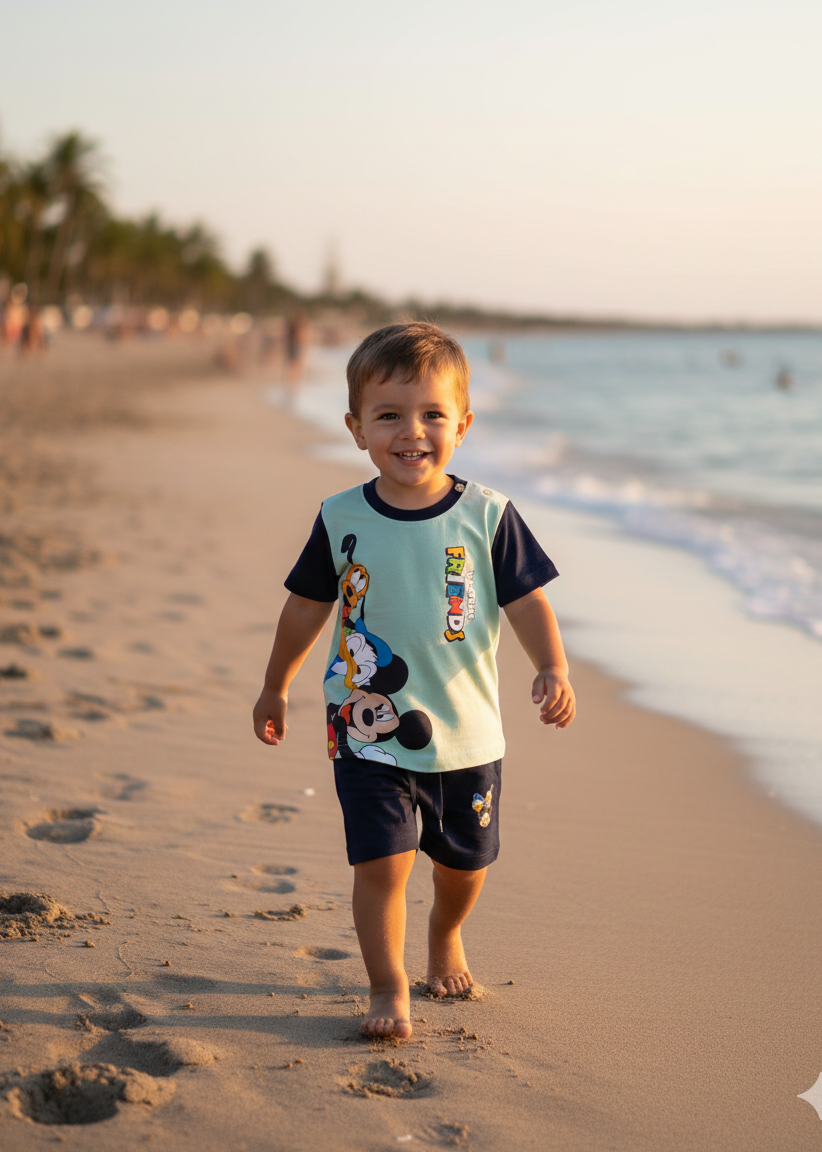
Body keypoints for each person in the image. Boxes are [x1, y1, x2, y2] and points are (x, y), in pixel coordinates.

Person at [253, 322, 575, 1039]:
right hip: (367, 732)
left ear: (463, 423)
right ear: (356, 427)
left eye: (433, 414)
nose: (413, 431)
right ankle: (387, 983)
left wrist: (552, 666)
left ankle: (445, 934)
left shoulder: (487, 516)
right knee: (383, 864)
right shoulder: (340, 518)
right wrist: (276, 685)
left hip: (468, 734)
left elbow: (528, 601)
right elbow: (305, 609)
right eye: (390, 414)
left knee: (464, 867)